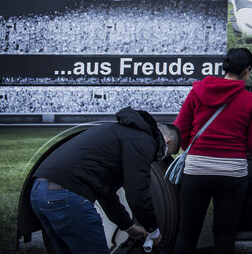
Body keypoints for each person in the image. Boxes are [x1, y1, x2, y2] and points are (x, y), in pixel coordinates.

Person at [30, 107, 179, 253]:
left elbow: (106, 193)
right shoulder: (144, 141)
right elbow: (138, 193)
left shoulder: (121, 134)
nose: (160, 158)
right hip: (67, 196)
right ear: (167, 141)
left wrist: (128, 226)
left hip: (39, 192)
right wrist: (153, 229)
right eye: (166, 154)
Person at [173, 48, 252, 254]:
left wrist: (195, 152)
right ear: (247, 71)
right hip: (232, 173)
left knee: (187, 233)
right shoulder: (251, 101)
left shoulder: (197, 91)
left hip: (196, 170)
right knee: (224, 234)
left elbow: (181, 129)